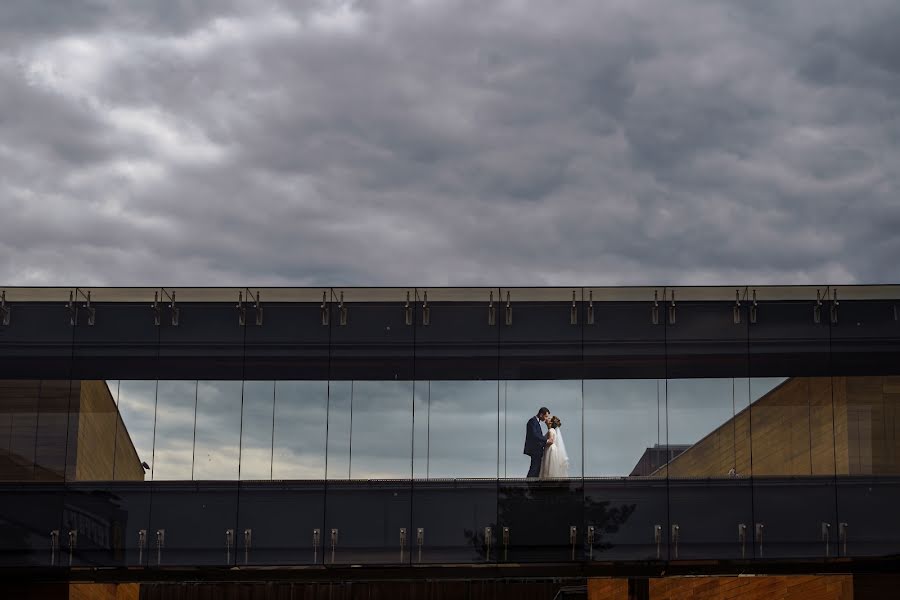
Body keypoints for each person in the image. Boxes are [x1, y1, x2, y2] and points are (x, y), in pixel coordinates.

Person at [524, 407, 551, 478]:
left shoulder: (535, 422)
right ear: (541, 414)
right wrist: (546, 440)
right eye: (545, 416)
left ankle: (532, 485)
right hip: (534, 450)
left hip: (537, 449)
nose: (546, 418)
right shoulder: (532, 421)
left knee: (537, 468)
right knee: (534, 468)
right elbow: (534, 435)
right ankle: (529, 483)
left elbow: (537, 436)